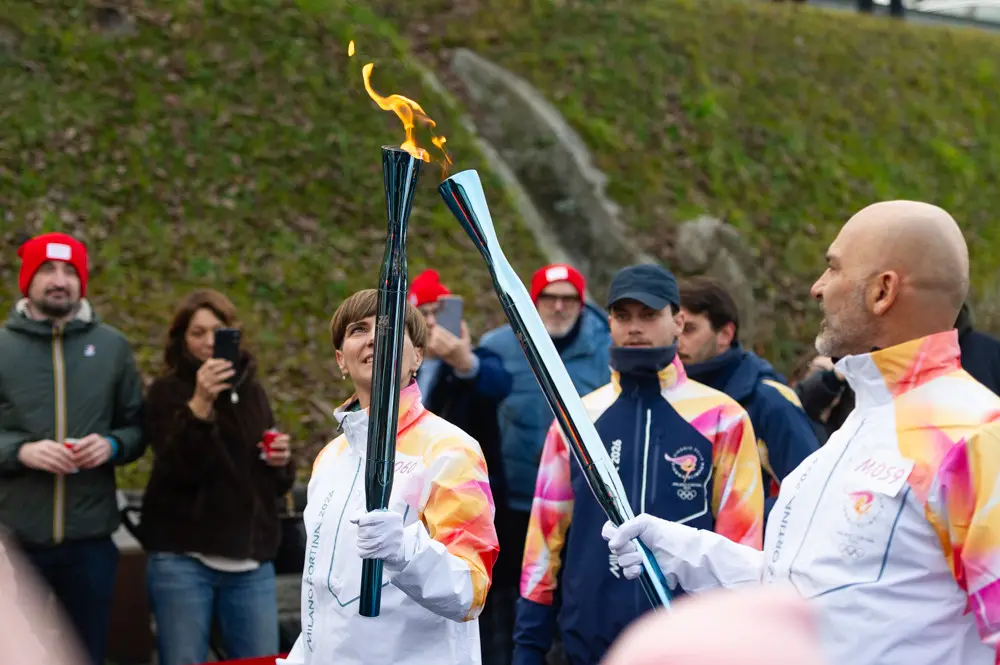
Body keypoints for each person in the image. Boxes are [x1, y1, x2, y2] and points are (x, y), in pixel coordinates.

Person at [603, 201, 1000, 665]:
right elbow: (798, 594)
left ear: (882, 291)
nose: (817, 288)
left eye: (833, 268)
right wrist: (681, 550)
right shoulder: (857, 428)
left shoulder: (972, 434)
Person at [513, 264, 764, 665]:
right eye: (623, 316)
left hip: (689, 640)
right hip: (590, 637)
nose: (635, 327)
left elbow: (742, 541)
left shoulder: (722, 417)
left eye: (649, 315)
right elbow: (544, 535)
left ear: (677, 321)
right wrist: (528, 641)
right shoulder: (577, 417)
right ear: (609, 322)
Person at [279, 289, 499, 665]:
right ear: (341, 360)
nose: (373, 338)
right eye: (358, 330)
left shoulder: (450, 449)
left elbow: (470, 591)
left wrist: (405, 550)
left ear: (417, 355)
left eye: (390, 328)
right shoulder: (329, 460)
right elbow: (322, 595)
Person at [0, 232, 146, 665]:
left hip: (90, 542)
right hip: (15, 540)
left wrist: (112, 444)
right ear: (28, 279)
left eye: (69, 270)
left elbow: (137, 428)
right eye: (47, 269)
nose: (59, 280)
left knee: (86, 653)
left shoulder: (112, 347)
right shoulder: (2, 347)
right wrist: (20, 451)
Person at [138, 289, 297, 665]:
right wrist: (200, 404)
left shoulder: (253, 391)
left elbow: (277, 484)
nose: (209, 342)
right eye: (197, 333)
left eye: (218, 331)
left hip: (250, 561)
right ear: (182, 340)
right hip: (183, 561)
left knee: (259, 659)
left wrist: (280, 460)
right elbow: (177, 468)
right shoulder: (167, 393)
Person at [480, 263, 611, 594]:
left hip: (582, 501)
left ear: (582, 304)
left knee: (572, 588)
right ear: (531, 301)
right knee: (512, 589)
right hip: (512, 501)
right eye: (549, 297)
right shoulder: (497, 347)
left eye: (568, 299)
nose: (558, 307)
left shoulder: (608, 352)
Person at [407, 269, 516, 665]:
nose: (434, 322)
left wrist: (462, 358)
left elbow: (497, 384)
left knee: (482, 617)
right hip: (416, 510)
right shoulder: (403, 372)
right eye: (425, 314)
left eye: (442, 312)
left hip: (473, 512)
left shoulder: (476, 361)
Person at [677, 276, 818, 518]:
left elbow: (811, 492)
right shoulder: (668, 395)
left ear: (725, 334)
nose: (677, 341)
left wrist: (737, 526)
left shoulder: (770, 401)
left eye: (689, 329)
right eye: (674, 328)